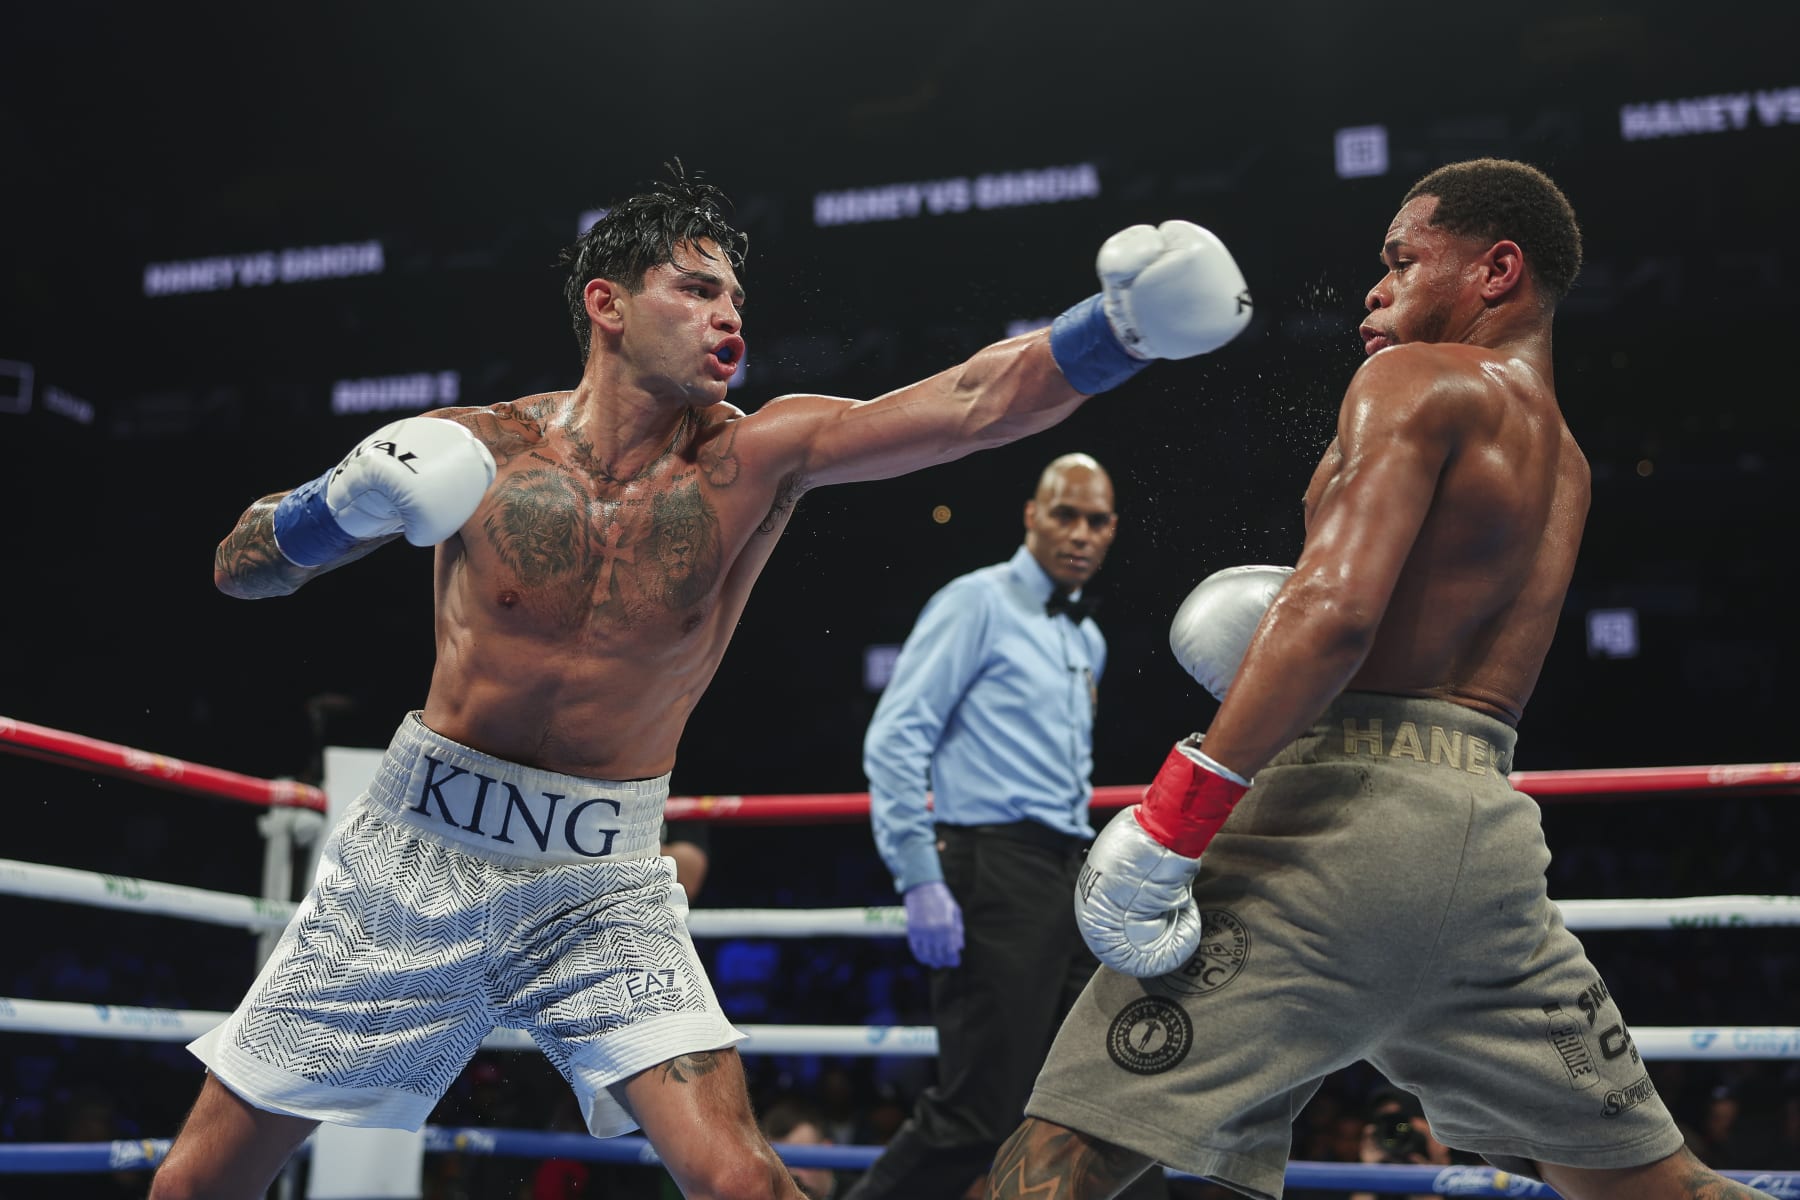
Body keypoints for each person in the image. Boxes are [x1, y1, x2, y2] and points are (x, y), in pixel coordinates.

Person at [152, 163, 1252, 1200]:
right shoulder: (473, 447)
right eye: (696, 288)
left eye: (738, 296)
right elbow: (238, 569)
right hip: (413, 855)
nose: (731, 315)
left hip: (599, 881)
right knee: (197, 1182)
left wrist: (1116, 334)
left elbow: (972, 402)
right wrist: (332, 505)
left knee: (739, 1179)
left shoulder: (754, 458)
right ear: (608, 305)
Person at [987, 158, 1773, 1200]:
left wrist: (1180, 812)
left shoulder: (1412, 381)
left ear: (1498, 270)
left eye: (1402, 260)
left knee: (1067, 1147)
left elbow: (1334, 616)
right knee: (1651, 1188)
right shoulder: (1569, 462)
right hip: (1485, 849)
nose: (1375, 287)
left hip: (1340, 819)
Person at [846, 454, 1164, 1200]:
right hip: (992, 867)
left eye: (1096, 520)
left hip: (1072, 877)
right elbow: (895, 740)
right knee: (979, 1110)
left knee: (1102, 1095)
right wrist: (920, 877)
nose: (1080, 533)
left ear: (1112, 529)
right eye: (1065, 514)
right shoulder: (975, 603)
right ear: (1032, 516)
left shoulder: (1087, 641)